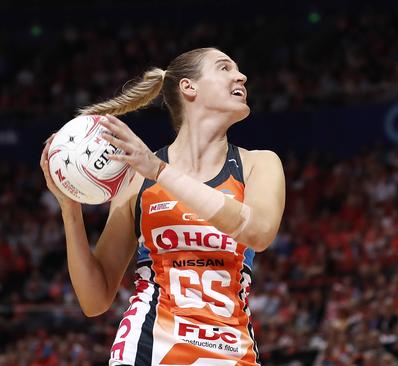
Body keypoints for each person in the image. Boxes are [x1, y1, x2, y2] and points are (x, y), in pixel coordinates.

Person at [40, 47, 286, 366]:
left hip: (229, 349)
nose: (241, 76)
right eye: (225, 68)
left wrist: (160, 172)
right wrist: (70, 208)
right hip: (147, 347)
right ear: (189, 87)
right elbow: (95, 300)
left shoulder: (258, 164)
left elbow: (258, 232)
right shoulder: (135, 180)